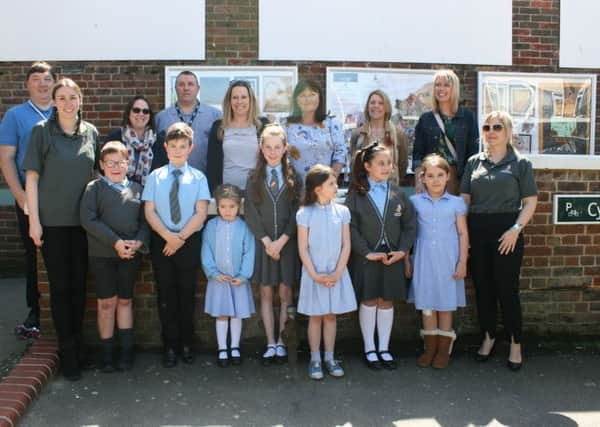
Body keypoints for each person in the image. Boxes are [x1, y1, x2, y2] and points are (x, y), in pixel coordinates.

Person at [23, 78, 99, 381]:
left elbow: (95, 175)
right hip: (53, 224)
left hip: (83, 225)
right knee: (61, 288)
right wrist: (34, 221)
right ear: (54, 101)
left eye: (73, 97)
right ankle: (67, 355)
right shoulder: (41, 132)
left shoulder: (90, 133)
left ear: (80, 100)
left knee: (80, 288)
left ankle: (78, 348)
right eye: (62, 97)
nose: (68, 103)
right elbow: (31, 178)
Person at [460, 111, 537, 372]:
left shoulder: (520, 163)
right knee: (483, 288)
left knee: (507, 289)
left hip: (507, 232)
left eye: (497, 127)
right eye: (486, 127)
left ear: (507, 132)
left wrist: (516, 228)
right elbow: (465, 202)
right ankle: (488, 337)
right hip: (478, 229)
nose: (491, 131)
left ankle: (516, 343)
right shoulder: (473, 162)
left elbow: (530, 202)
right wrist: (464, 236)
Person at [142, 122, 210, 368]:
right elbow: (149, 211)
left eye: (183, 146)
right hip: (162, 241)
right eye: (173, 146)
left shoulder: (199, 177)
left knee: (186, 293)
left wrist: (180, 238)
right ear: (166, 148)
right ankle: (169, 345)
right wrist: (168, 236)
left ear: (190, 148)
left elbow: (201, 212)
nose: (178, 151)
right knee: (166, 294)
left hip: (187, 241)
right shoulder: (155, 177)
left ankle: (186, 343)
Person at [345, 143, 416, 371]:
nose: (387, 167)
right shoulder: (356, 194)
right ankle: (369, 348)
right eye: (381, 163)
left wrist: (402, 251)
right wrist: (366, 251)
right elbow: (351, 227)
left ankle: (384, 347)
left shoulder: (398, 193)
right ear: (367, 166)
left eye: (389, 163)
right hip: (366, 258)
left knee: (386, 301)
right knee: (369, 299)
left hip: (392, 258)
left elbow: (410, 226)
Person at [80, 141, 149, 373]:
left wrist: (138, 242)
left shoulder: (138, 189)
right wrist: (116, 242)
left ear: (128, 163)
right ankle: (107, 353)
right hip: (102, 255)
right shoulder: (94, 189)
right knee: (106, 303)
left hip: (130, 255)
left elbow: (144, 222)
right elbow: (88, 220)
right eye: (110, 163)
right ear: (102, 165)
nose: (116, 167)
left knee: (125, 301)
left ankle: (126, 352)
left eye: (120, 162)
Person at [0, 61, 56, 338]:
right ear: (28, 85)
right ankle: (35, 310)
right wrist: (20, 195)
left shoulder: (63, 111)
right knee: (33, 255)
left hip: (60, 199)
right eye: (36, 79)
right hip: (28, 198)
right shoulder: (15, 115)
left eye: (47, 79)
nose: (43, 84)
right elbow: (7, 158)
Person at [245, 124, 301, 365]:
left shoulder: (295, 177)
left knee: (284, 293)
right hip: (265, 245)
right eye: (268, 147)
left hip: (286, 245)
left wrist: (282, 241)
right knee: (266, 293)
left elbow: (298, 212)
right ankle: (271, 343)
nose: (272, 151)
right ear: (261, 148)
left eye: (277, 147)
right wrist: (268, 242)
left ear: (285, 148)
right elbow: (251, 212)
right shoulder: (254, 177)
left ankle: (282, 338)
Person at [408, 154, 468, 369]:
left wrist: (462, 262)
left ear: (448, 176)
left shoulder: (456, 203)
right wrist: (407, 259)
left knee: (444, 305)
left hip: (448, 259)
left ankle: (443, 350)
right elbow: (409, 234)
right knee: (427, 305)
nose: (435, 180)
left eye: (440, 175)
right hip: (424, 259)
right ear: (422, 178)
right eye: (430, 176)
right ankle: (429, 348)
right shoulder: (414, 202)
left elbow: (462, 233)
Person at [296, 165, 356, 380]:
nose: (336, 187)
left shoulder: (342, 212)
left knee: (331, 316)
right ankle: (315, 359)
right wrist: (314, 274)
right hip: (315, 274)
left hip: (335, 272)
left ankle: (330, 357)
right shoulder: (304, 214)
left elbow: (346, 244)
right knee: (316, 316)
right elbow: (303, 248)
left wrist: (338, 271)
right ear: (318, 188)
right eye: (331, 183)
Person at [201, 184, 255, 368]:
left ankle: (235, 347)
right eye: (223, 207)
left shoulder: (244, 227)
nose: (227, 211)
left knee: (237, 314)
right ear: (217, 207)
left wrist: (244, 275)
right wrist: (213, 273)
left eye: (231, 207)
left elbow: (249, 251)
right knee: (222, 314)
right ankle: (222, 348)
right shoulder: (211, 226)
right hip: (218, 280)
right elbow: (206, 250)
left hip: (238, 279)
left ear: (238, 207)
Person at [413, 70, 479, 194]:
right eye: (437, 85)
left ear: (454, 88)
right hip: (432, 177)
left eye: (446, 85)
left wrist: (467, 186)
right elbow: (418, 154)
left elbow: (473, 155)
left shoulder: (467, 117)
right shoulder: (426, 119)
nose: (441, 88)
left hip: (457, 178)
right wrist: (419, 181)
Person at [206, 80, 269, 193]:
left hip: (257, 193)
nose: (239, 101)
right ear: (229, 101)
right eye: (235, 97)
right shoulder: (219, 127)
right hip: (226, 195)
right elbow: (211, 166)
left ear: (251, 100)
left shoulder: (263, 125)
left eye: (244, 97)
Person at [156, 71, 222, 174]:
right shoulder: (162, 118)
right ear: (175, 88)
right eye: (181, 84)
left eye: (190, 84)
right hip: (170, 180)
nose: (186, 88)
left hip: (205, 179)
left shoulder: (215, 116)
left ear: (198, 88)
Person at [284, 80, 346, 180]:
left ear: (319, 98)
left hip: (324, 188)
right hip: (294, 188)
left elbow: (340, 153)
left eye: (312, 94)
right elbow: (280, 155)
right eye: (303, 95)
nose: (308, 99)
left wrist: (330, 180)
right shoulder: (286, 125)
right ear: (296, 100)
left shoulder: (332, 124)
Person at [349, 89, 409, 185]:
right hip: (363, 189)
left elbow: (402, 165)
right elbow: (353, 165)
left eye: (381, 103)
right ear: (368, 107)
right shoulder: (357, 134)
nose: (376, 106)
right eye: (372, 103)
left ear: (386, 108)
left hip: (389, 190)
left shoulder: (398, 135)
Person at [105, 96, 167, 186]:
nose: (141, 114)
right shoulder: (115, 138)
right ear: (128, 113)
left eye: (145, 111)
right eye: (136, 110)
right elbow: (104, 169)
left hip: (151, 196)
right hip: (120, 194)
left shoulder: (159, 142)